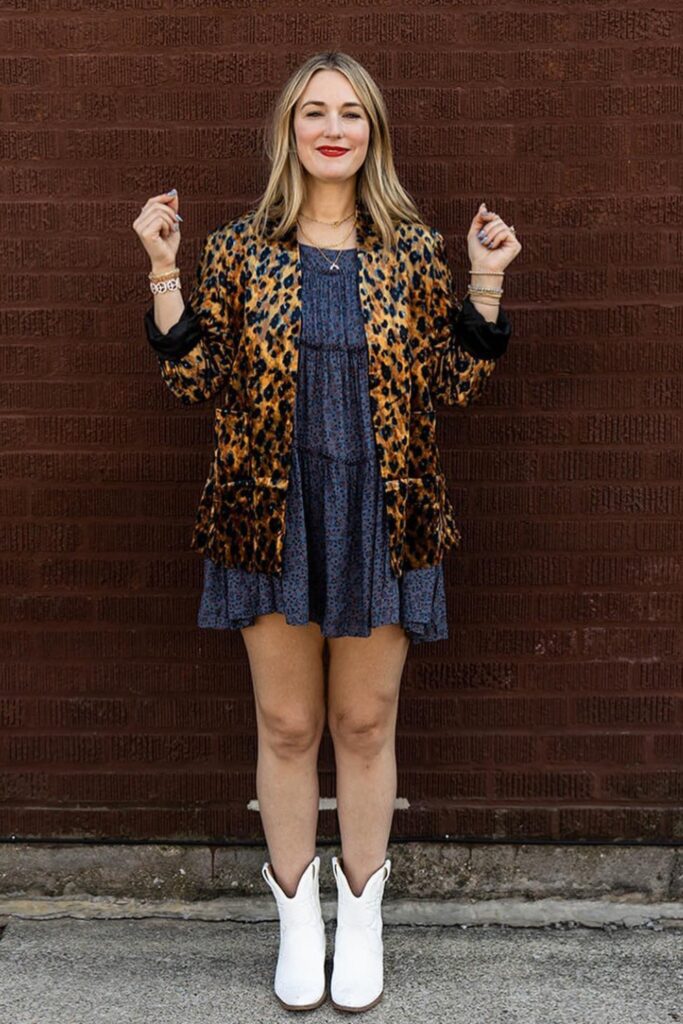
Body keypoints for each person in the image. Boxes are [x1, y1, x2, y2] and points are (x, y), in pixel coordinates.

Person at [133, 50, 521, 1014]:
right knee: (288, 722)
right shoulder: (238, 250)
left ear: (372, 134)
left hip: (383, 512)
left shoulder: (409, 250)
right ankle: (297, 921)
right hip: (269, 510)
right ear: (290, 132)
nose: (333, 127)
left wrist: (483, 284)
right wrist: (163, 270)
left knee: (362, 721)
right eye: (315, 112)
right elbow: (193, 379)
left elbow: (449, 385)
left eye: (351, 112)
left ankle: (363, 916)